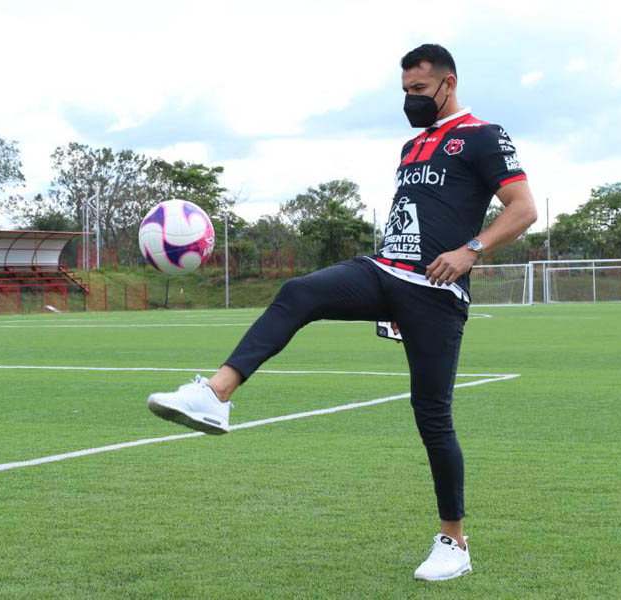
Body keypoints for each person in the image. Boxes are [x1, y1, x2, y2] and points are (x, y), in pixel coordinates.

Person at [147, 43, 537, 581]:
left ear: (449, 83)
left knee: (433, 418)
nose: (411, 101)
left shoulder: (483, 137)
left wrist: (471, 249)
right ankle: (215, 394)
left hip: (436, 292)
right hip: (385, 271)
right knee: (299, 291)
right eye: (404, 92)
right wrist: (388, 298)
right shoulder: (410, 147)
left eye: (419, 91)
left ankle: (454, 542)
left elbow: (524, 209)